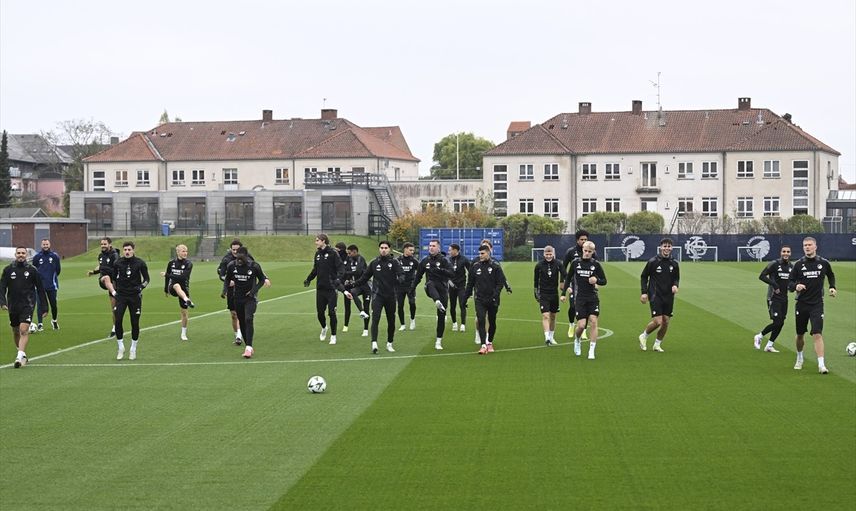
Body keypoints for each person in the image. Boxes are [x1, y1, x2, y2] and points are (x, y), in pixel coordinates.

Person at [789, 237, 837, 374]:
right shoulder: (798, 264)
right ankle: (799, 357)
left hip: (817, 304)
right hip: (802, 304)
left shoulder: (823, 263)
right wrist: (796, 286)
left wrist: (832, 287)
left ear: (815, 247)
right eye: (805, 245)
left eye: (810, 245)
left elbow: (831, 275)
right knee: (800, 334)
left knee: (817, 333)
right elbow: (790, 284)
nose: (807, 247)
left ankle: (821, 365)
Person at [351, 240, 404, 354]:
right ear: (379, 249)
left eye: (385, 248)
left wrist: (399, 280)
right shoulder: (374, 263)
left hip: (390, 296)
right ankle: (374, 343)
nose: (383, 250)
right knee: (375, 318)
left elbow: (401, 275)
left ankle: (389, 343)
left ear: (389, 249)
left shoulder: (394, 262)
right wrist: (353, 285)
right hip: (377, 296)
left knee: (391, 321)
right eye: (381, 248)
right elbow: (364, 277)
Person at [224, 246, 271, 359]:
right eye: (238, 258)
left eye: (242, 258)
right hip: (237, 298)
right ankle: (248, 345)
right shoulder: (232, 266)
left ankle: (249, 347)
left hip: (250, 298)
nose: (239, 261)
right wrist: (224, 290)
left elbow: (262, 280)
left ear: (246, 256)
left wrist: (253, 291)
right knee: (242, 322)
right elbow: (227, 278)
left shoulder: (254, 266)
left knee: (248, 318)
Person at [0, 247, 43, 368]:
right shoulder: (8, 269)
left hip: (28, 304)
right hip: (13, 305)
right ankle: (21, 352)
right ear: (15, 254)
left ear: (26, 255)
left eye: (23, 253)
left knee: (23, 330)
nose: (21, 255)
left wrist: (44, 307)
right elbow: (2, 287)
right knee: (15, 330)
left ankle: (19, 356)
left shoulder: (32, 270)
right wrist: (2, 302)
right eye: (18, 253)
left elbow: (40, 288)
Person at [564, 241, 607, 359]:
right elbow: (568, 278)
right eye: (585, 251)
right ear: (582, 250)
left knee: (593, 321)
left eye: (590, 251)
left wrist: (596, 280)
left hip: (593, 298)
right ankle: (577, 339)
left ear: (593, 252)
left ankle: (591, 350)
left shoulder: (596, 264)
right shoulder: (575, 263)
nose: (587, 253)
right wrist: (563, 293)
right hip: (580, 298)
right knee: (582, 325)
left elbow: (604, 281)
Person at [410, 239, 455, 350]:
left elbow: (452, 274)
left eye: (433, 246)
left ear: (438, 248)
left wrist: (440, 270)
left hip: (443, 289)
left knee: (441, 315)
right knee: (430, 283)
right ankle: (437, 301)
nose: (431, 247)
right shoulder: (425, 261)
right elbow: (418, 276)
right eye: (430, 245)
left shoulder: (444, 260)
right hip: (430, 289)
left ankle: (438, 341)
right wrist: (412, 288)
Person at [638, 238, 680, 353]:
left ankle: (657, 344)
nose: (667, 248)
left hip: (669, 296)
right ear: (660, 247)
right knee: (658, 321)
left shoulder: (674, 263)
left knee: (666, 321)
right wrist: (644, 292)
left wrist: (675, 285)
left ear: (671, 248)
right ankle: (644, 336)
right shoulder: (653, 262)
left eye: (669, 246)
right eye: (665, 246)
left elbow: (676, 278)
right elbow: (644, 277)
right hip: (655, 294)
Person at [304, 233, 346, 345]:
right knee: (320, 313)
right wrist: (308, 279)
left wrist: (338, 279)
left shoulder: (333, 253)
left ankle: (333, 336)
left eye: (317, 240)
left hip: (331, 289)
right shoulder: (317, 254)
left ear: (323, 241)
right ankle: (324, 328)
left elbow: (341, 268)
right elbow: (315, 269)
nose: (316, 242)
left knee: (332, 313)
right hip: (320, 289)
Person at [465, 244, 507, 355]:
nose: (480, 255)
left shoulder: (495, 267)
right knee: (481, 320)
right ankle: (483, 345)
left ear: (488, 253)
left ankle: (489, 342)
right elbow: (470, 284)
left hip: (493, 300)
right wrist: (465, 298)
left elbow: (500, 283)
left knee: (492, 322)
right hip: (480, 299)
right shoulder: (475, 267)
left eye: (482, 253)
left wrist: (495, 295)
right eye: (479, 253)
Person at [112, 241, 150, 361]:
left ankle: (133, 349)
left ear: (133, 250)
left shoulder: (140, 263)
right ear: (123, 251)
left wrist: (141, 287)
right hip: (121, 296)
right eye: (125, 250)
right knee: (118, 320)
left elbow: (147, 279)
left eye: (129, 250)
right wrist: (115, 291)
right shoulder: (117, 263)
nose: (127, 252)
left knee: (134, 322)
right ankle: (120, 347)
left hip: (135, 297)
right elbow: (113, 278)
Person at [753, 245, 793, 353]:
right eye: (784, 251)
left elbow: (792, 282)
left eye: (788, 252)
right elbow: (762, 276)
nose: (786, 253)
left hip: (784, 298)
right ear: (781, 252)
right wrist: (774, 285)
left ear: (790, 253)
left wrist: (793, 287)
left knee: (781, 322)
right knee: (777, 322)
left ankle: (769, 345)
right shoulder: (774, 264)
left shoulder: (791, 266)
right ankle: (759, 336)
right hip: (773, 297)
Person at [472, 238, 512, 345]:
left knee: (490, 317)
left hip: (492, 293)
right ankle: (478, 333)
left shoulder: (495, 263)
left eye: (487, 247)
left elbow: (501, 277)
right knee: (480, 317)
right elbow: (471, 278)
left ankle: (487, 338)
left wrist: (507, 286)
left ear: (490, 249)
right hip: (479, 292)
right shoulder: (475, 262)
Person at [218, 239, 252, 346]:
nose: (235, 252)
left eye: (237, 250)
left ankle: (239, 336)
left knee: (243, 314)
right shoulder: (226, 260)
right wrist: (227, 282)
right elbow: (221, 274)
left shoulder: (248, 257)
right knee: (234, 314)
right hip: (232, 290)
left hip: (245, 290)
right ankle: (237, 334)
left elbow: (256, 269)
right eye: (233, 250)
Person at [561, 229, 594, 339]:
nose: (584, 241)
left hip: (587, 285)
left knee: (586, 307)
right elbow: (563, 267)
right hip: (573, 284)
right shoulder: (571, 252)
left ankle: (583, 330)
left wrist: (596, 280)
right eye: (582, 239)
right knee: (573, 306)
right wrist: (562, 282)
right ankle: (571, 325)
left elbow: (597, 267)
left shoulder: (592, 252)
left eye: (585, 239)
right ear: (577, 240)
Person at [86, 237, 120, 337]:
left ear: (109, 244)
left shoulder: (115, 255)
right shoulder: (101, 255)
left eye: (105, 244)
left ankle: (115, 328)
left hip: (115, 283)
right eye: (101, 244)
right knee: (106, 277)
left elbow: (116, 268)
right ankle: (114, 293)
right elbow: (100, 266)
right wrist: (93, 272)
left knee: (115, 308)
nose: (103, 246)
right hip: (104, 281)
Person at [534, 245, 567, 346]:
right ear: (544, 254)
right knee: (545, 315)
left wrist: (567, 287)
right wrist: (535, 293)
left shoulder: (558, 264)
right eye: (546, 254)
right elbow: (536, 281)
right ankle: (547, 337)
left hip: (554, 294)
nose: (548, 256)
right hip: (543, 293)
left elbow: (565, 275)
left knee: (553, 316)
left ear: (553, 254)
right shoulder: (539, 265)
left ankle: (552, 337)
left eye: (550, 254)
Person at [162, 244, 195, 341]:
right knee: (176, 285)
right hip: (172, 287)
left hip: (184, 288)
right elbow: (168, 277)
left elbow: (183, 277)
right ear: (178, 252)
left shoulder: (189, 264)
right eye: (183, 251)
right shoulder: (171, 263)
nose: (185, 253)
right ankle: (187, 299)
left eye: (186, 251)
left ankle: (183, 333)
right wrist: (166, 289)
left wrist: (167, 275)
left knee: (184, 312)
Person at [31, 238, 61, 331]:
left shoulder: (54, 256)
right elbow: (34, 269)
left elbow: (58, 270)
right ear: (41, 245)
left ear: (49, 245)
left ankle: (54, 321)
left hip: (52, 285)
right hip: (40, 286)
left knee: (53, 304)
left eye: (47, 244)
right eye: (44, 244)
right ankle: (40, 324)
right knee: (40, 305)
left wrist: (52, 278)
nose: (45, 246)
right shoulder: (37, 257)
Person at [342, 244, 371, 336]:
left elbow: (358, 272)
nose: (348, 255)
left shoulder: (360, 259)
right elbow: (345, 271)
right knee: (353, 292)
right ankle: (361, 311)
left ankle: (365, 329)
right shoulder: (349, 260)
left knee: (367, 307)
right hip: (357, 285)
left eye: (349, 253)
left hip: (366, 286)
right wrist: (347, 278)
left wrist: (347, 273)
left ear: (355, 252)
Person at [448, 243, 471, 333]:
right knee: (452, 306)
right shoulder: (448, 260)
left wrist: (469, 284)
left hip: (461, 286)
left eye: (450, 250)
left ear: (455, 250)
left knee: (462, 304)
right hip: (451, 286)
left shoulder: (464, 259)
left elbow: (471, 272)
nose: (449, 252)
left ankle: (463, 324)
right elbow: (445, 273)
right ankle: (454, 323)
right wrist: (449, 281)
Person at [396, 242, 418, 331]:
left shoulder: (414, 261)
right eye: (410, 250)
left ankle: (412, 320)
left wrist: (415, 281)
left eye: (413, 250)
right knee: (400, 305)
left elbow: (420, 271)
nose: (412, 252)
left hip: (410, 286)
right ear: (405, 249)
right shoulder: (397, 260)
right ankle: (402, 324)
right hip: (399, 287)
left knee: (412, 303)